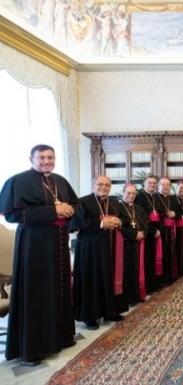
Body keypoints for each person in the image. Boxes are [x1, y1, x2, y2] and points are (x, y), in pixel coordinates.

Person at [0, 144, 78, 365]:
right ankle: (32, 349)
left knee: (58, 289)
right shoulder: (19, 181)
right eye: (41, 157)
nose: (46, 161)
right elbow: (12, 214)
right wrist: (54, 211)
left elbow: (74, 204)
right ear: (31, 159)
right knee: (37, 293)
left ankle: (58, 338)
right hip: (34, 247)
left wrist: (69, 210)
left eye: (50, 157)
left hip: (58, 243)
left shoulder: (60, 181)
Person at [71, 176, 126, 330]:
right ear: (93, 184)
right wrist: (101, 223)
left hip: (110, 246)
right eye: (100, 184)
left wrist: (118, 222)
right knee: (92, 279)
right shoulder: (82, 202)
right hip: (90, 250)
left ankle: (109, 311)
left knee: (108, 277)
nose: (104, 187)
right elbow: (75, 224)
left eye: (107, 185)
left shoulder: (114, 202)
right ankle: (90, 316)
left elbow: (123, 219)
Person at [119, 184, 149, 304]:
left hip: (138, 243)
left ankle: (136, 296)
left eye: (133, 194)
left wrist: (143, 233)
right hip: (125, 244)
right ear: (123, 193)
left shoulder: (138, 208)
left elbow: (146, 223)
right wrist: (133, 235)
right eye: (128, 193)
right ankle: (127, 298)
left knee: (137, 270)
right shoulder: (118, 207)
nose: (131, 196)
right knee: (127, 271)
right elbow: (119, 226)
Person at [157, 177, 179, 283]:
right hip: (160, 229)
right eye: (163, 185)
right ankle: (161, 279)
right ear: (159, 186)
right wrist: (165, 214)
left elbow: (180, 212)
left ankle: (170, 275)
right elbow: (154, 214)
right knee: (161, 253)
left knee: (171, 252)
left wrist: (175, 214)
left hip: (171, 230)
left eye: (167, 185)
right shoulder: (155, 198)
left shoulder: (173, 198)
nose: (165, 187)